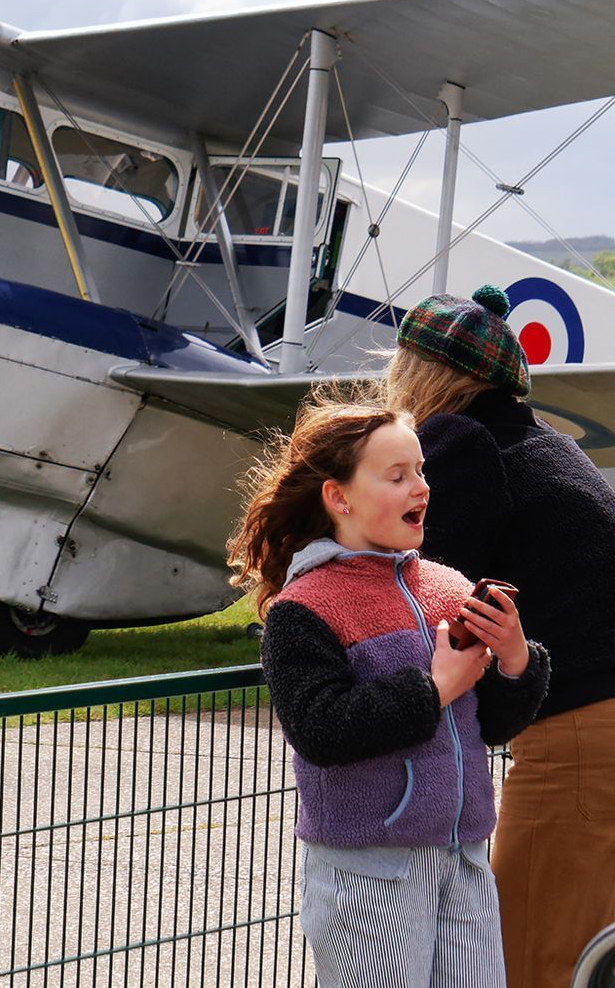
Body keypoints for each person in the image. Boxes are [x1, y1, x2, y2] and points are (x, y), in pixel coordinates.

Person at [382, 285, 615, 988]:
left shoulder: (461, 441)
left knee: (527, 969)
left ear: (422, 371)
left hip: (581, 747)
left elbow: (427, 585)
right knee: (602, 972)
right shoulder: (548, 444)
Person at [230, 389, 550, 987]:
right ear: (339, 497)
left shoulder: (447, 586)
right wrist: (434, 688)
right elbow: (322, 730)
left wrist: (513, 658)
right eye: (397, 475)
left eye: (421, 471)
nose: (421, 488)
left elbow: (494, 725)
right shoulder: (304, 608)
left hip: (466, 861)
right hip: (368, 876)